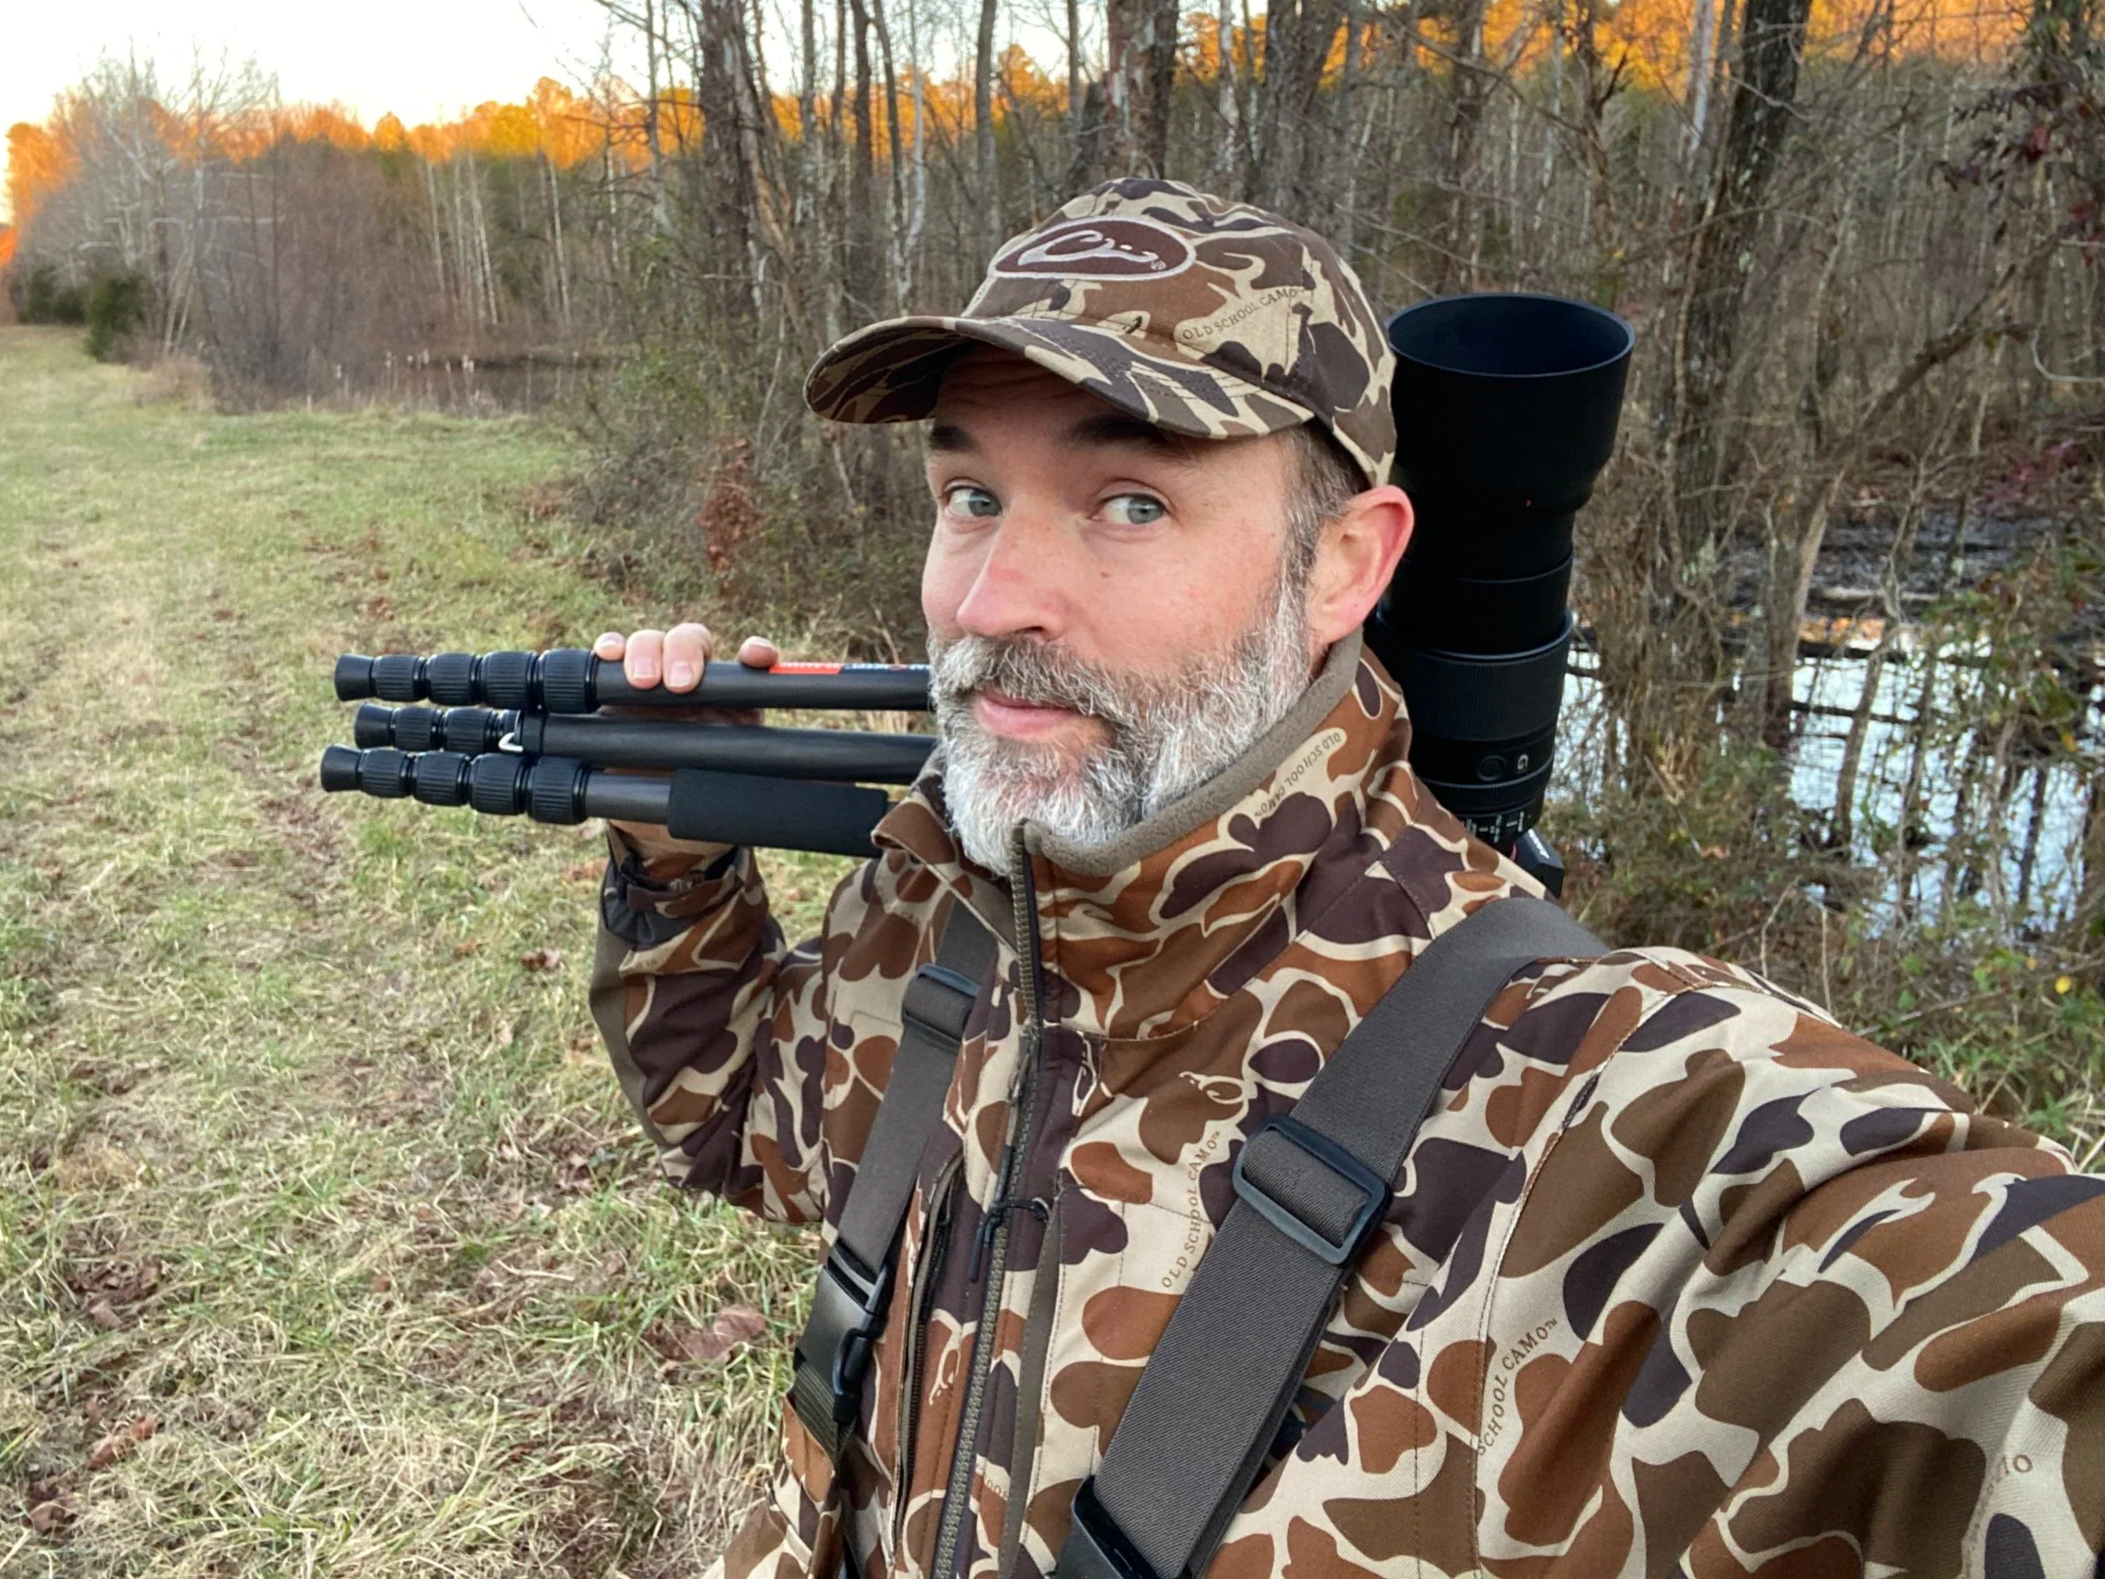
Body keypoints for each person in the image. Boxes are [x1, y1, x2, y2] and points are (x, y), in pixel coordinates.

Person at [588, 179, 2105, 1579]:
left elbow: (1987, 1348)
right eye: (971, 494)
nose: (990, 602)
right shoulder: (959, 897)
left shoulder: (1583, 1097)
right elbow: (750, 1123)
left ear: (1345, 566)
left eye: (1130, 502)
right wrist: (675, 847)